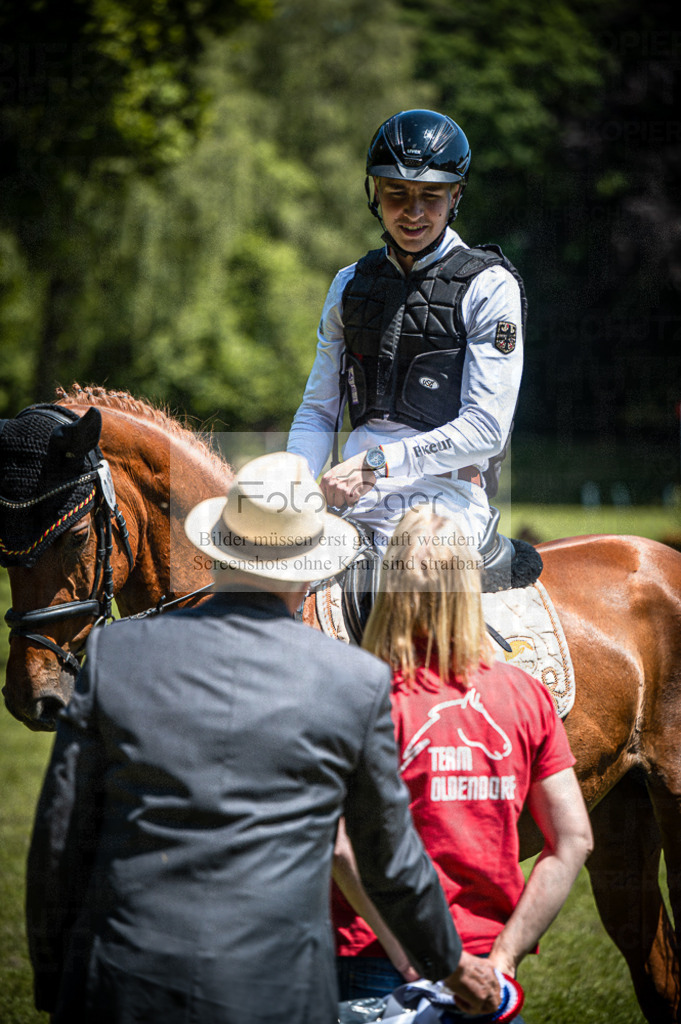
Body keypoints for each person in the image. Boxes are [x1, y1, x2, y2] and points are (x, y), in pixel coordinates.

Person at [25, 452, 502, 1024]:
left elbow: (60, 838)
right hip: (274, 994)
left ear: (218, 550)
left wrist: (56, 981)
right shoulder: (354, 681)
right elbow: (390, 860)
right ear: (309, 568)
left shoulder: (114, 655)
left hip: (120, 984)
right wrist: (450, 963)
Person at [332, 507, 593, 1016]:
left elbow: (342, 848)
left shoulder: (357, 696)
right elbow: (574, 840)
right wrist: (504, 957)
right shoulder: (527, 696)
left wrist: (411, 956)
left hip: (371, 954)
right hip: (485, 965)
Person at [287, 108, 526, 551]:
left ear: (455, 196)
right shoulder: (348, 284)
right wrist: (295, 478)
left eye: (431, 196)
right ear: (375, 191)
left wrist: (378, 462)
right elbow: (319, 411)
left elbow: (485, 429)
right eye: (397, 193)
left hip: (446, 505)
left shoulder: (490, 286)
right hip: (350, 497)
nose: (413, 213)